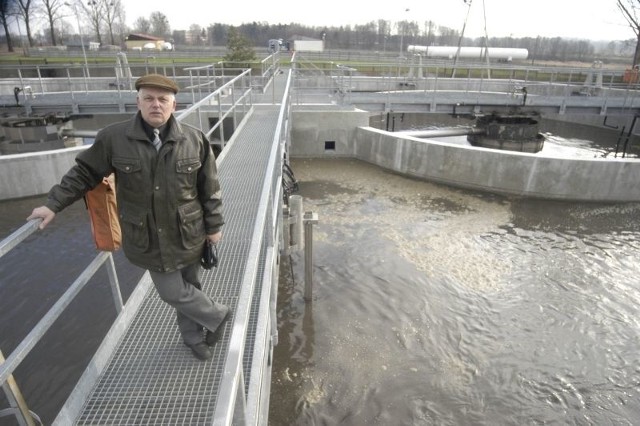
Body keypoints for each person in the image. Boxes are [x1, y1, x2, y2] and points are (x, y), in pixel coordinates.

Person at [27, 74, 230, 361]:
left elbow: (209, 188)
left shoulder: (194, 140)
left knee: (190, 287)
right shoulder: (113, 138)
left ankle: (194, 338)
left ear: (175, 104)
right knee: (172, 291)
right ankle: (218, 315)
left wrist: (214, 226)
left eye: (163, 100)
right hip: (147, 235)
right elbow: (84, 173)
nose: (155, 105)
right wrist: (53, 204)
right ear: (138, 102)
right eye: (148, 98)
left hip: (189, 230)